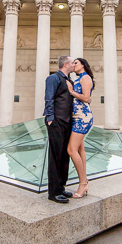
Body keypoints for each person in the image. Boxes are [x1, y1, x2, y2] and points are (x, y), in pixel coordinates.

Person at [43, 55, 74, 203]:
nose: (74, 65)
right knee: (55, 156)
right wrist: (50, 118)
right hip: (56, 121)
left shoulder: (69, 80)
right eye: (72, 63)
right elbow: (49, 98)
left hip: (68, 122)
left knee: (64, 155)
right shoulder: (53, 78)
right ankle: (53, 193)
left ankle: (61, 187)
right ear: (66, 65)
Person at [66, 57, 94, 198]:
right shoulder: (79, 78)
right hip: (76, 116)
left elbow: (87, 98)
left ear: (83, 65)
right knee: (79, 149)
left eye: (76, 63)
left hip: (83, 117)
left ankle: (83, 183)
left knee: (71, 149)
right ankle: (85, 181)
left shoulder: (85, 78)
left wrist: (72, 92)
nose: (73, 65)